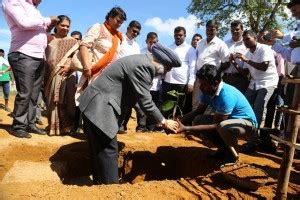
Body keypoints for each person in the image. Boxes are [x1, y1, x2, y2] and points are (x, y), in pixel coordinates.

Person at [78, 43, 181, 184]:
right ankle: (111, 189)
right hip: (99, 107)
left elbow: (137, 101)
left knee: (100, 151)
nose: (166, 72)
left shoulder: (140, 61)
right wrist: (163, 121)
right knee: (109, 149)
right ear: (161, 62)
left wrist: (155, 120)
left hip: (95, 105)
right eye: (168, 68)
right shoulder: (144, 67)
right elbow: (145, 100)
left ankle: (100, 186)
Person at [177, 64, 257, 164]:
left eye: (204, 84)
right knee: (199, 120)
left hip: (247, 125)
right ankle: (223, 150)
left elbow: (216, 125)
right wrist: (179, 120)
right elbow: (198, 111)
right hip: (229, 122)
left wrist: (187, 128)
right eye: (199, 83)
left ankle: (232, 155)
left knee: (222, 127)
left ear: (216, 82)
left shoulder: (226, 95)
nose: (200, 87)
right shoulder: (207, 91)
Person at [2, 0, 58, 138]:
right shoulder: (12, 1)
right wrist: (47, 20)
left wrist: (48, 26)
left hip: (38, 55)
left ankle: (30, 124)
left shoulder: (33, 8)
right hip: (23, 53)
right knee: (25, 92)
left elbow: (37, 29)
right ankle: (18, 126)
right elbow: (24, 23)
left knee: (34, 94)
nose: (40, 1)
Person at [231, 30, 278, 153]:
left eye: (248, 39)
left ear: (255, 38)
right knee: (243, 105)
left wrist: (245, 60)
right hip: (254, 83)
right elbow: (245, 73)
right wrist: (234, 62)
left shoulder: (265, 49)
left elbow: (264, 67)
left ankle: (252, 142)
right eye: (244, 40)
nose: (245, 42)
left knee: (258, 109)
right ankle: (240, 135)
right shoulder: (247, 53)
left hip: (268, 83)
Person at [44, 15, 78, 136]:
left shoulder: (73, 42)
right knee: (51, 101)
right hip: (48, 75)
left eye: (68, 26)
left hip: (66, 75)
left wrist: (70, 66)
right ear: (56, 26)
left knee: (65, 101)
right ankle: (53, 127)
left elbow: (77, 57)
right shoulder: (48, 38)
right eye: (62, 25)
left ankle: (66, 128)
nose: (65, 28)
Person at [79, 6, 126, 82]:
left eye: (121, 23)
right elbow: (84, 45)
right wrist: (86, 68)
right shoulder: (98, 27)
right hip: (93, 74)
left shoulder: (117, 36)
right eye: (118, 21)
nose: (119, 24)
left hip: (109, 77)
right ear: (110, 17)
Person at [193, 20, 230, 110]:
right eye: (207, 29)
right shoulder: (200, 42)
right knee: (196, 102)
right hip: (199, 77)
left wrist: (216, 73)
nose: (209, 32)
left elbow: (227, 62)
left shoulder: (221, 44)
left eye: (212, 30)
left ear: (217, 30)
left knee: (210, 103)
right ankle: (193, 122)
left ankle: (205, 121)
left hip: (211, 80)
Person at [118, 20, 146, 133]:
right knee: (121, 103)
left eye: (137, 33)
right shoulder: (120, 39)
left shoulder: (136, 45)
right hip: (119, 76)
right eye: (134, 31)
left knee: (132, 103)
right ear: (128, 28)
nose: (135, 34)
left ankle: (136, 127)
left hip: (132, 78)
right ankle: (119, 127)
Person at [163, 26, 196, 117]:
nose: (178, 37)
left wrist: (191, 82)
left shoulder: (190, 49)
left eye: (180, 35)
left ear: (185, 36)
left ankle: (179, 127)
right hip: (168, 81)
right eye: (176, 35)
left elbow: (193, 66)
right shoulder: (169, 48)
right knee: (167, 105)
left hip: (182, 83)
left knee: (181, 106)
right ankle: (167, 126)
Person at [140, 32, 162, 131]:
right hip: (144, 85)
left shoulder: (161, 54)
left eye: (155, 42)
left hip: (156, 85)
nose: (152, 44)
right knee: (142, 106)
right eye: (150, 42)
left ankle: (151, 127)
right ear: (146, 42)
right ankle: (141, 127)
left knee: (153, 106)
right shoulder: (141, 53)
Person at [223, 20, 249, 93]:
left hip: (241, 79)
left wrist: (234, 61)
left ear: (242, 30)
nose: (234, 31)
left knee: (239, 103)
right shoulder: (225, 44)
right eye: (232, 30)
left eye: (237, 29)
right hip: (226, 78)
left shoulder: (246, 44)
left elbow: (246, 70)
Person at [70, 30, 83, 134]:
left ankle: (77, 127)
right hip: (69, 81)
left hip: (81, 82)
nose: (75, 41)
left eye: (77, 39)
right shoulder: (67, 52)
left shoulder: (85, 52)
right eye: (73, 39)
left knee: (79, 105)